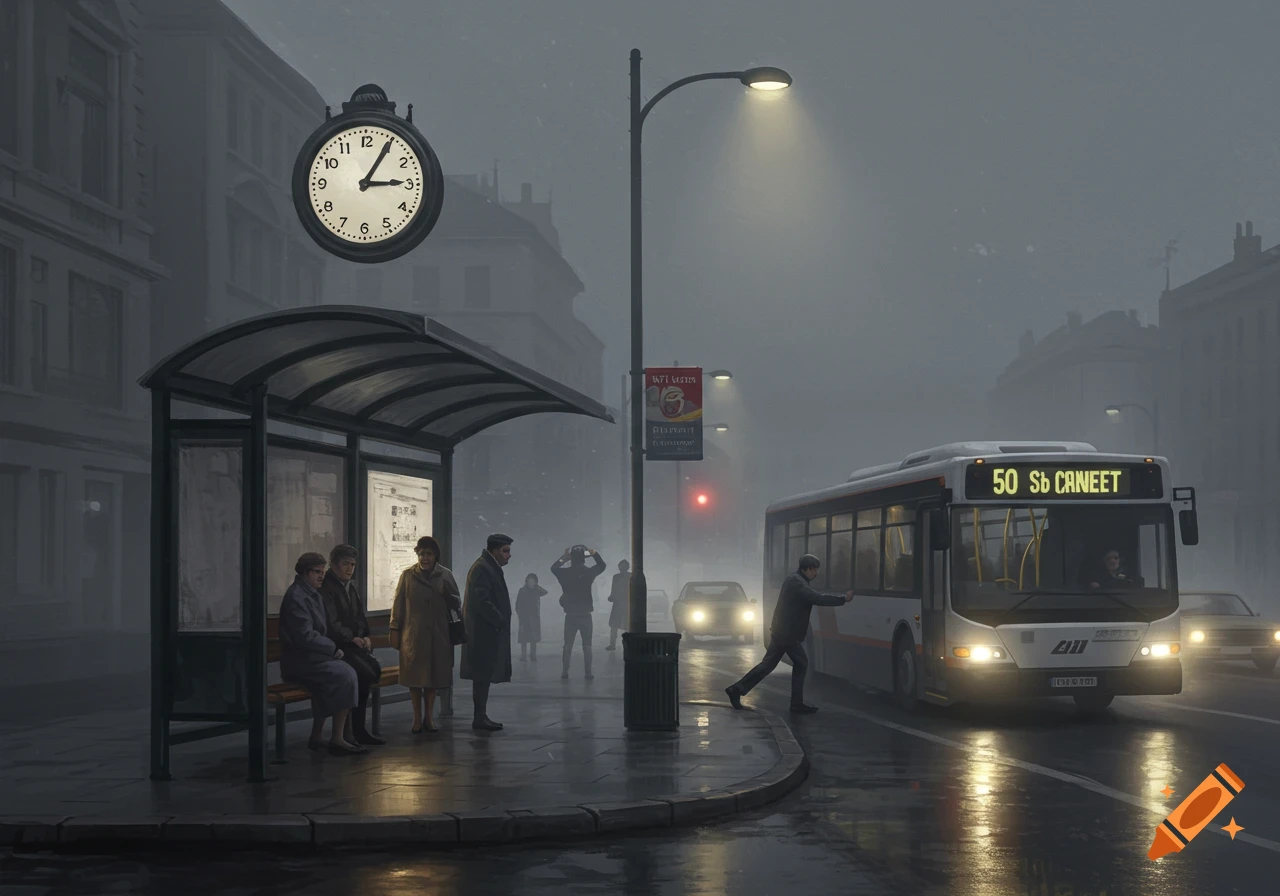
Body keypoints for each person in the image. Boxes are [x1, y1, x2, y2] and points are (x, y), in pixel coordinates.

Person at [725, 554, 853, 714]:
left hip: (782, 631)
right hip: (787, 633)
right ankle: (795, 703)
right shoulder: (797, 583)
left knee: (769, 665)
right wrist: (843, 599)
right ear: (806, 569)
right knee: (801, 663)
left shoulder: (795, 579)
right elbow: (816, 598)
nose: (816, 573)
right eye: (814, 570)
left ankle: (737, 689)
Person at [278, 552, 364, 755]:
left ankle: (318, 736)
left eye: (323, 572)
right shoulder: (297, 597)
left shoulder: (310, 592)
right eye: (317, 572)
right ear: (305, 572)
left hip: (311, 658)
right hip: (299, 662)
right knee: (345, 674)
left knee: (341, 672)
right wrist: (332, 648)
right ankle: (337, 738)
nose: (321, 576)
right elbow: (305, 636)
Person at [390, 536, 460, 734]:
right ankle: (416, 718)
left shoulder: (445, 575)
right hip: (413, 634)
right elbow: (398, 604)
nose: (424, 558)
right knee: (415, 678)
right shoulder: (407, 575)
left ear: (435, 555)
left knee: (433, 677)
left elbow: (457, 603)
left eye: (428, 554)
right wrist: (394, 628)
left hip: (438, 634)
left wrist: (448, 595)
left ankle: (429, 717)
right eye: (421, 554)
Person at [319, 544, 385, 746]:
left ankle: (357, 730)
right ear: (333, 564)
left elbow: (360, 617)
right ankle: (353, 731)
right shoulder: (327, 587)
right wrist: (351, 638)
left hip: (351, 645)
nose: (349, 569)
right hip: (336, 647)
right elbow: (331, 622)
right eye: (345, 564)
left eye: (353, 565)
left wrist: (364, 636)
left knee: (367, 673)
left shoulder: (350, 587)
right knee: (361, 674)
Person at [460, 534, 514, 731]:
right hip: (483, 632)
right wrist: (498, 620)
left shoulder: (486, 566)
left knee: (483, 676)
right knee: (481, 676)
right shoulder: (483, 568)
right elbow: (481, 600)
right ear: (494, 551)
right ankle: (479, 717)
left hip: (484, 631)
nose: (508, 555)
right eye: (505, 551)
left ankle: (481, 716)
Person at [552, 545, 606, 679]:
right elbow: (602, 565)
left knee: (567, 646)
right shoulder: (588, 572)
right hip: (585, 614)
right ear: (584, 559)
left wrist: (564, 558)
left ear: (572, 559)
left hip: (570, 615)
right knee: (587, 646)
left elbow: (553, 568)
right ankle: (588, 672)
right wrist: (594, 553)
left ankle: (565, 671)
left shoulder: (564, 573)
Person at [515, 573, 547, 661]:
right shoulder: (522, 591)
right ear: (526, 581)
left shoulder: (537, 590)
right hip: (524, 617)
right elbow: (517, 605)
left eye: (533, 581)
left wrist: (536, 586)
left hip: (534, 617)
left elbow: (545, 592)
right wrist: (520, 616)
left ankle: (533, 655)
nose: (531, 582)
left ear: (536, 582)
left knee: (533, 638)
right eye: (529, 580)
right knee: (524, 639)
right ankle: (523, 656)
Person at [606, 559, 630, 651]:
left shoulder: (616, 577)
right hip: (627, 604)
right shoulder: (631, 576)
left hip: (618, 603)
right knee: (626, 625)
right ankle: (627, 645)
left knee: (614, 625)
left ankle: (613, 645)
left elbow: (613, 590)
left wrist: (611, 597)